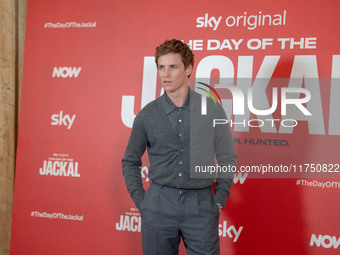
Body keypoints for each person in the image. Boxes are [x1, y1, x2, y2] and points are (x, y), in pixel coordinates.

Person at [122, 39, 236, 255]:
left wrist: (219, 199)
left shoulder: (211, 110)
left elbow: (227, 157)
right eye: (161, 67)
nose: (165, 74)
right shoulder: (146, 115)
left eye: (173, 67)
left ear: (189, 69)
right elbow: (129, 161)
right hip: (158, 205)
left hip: (201, 206)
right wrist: (143, 203)